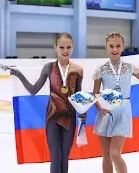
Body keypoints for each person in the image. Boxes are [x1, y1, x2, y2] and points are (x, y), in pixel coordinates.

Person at [10, 32, 85, 173]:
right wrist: (19, 75)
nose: (65, 51)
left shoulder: (78, 70)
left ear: (73, 48)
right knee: (55, 156)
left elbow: (78, 97)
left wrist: (83, 112)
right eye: (61, 47)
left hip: (70, 117)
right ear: (55, 47)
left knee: (65, 156)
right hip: (53, 116)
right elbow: (33, 90)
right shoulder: (49, 68)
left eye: (68, 47)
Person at [92, 32, 139, 173]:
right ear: (106, 47)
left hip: (123, 112)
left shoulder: (129, 68)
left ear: (123, 47)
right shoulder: (100, 70)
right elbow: (95, 93)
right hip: (105, 112)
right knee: (106, 155)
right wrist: (100, 107)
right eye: (111, 46)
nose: (114, 49)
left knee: (115, 153)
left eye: (118, 46)